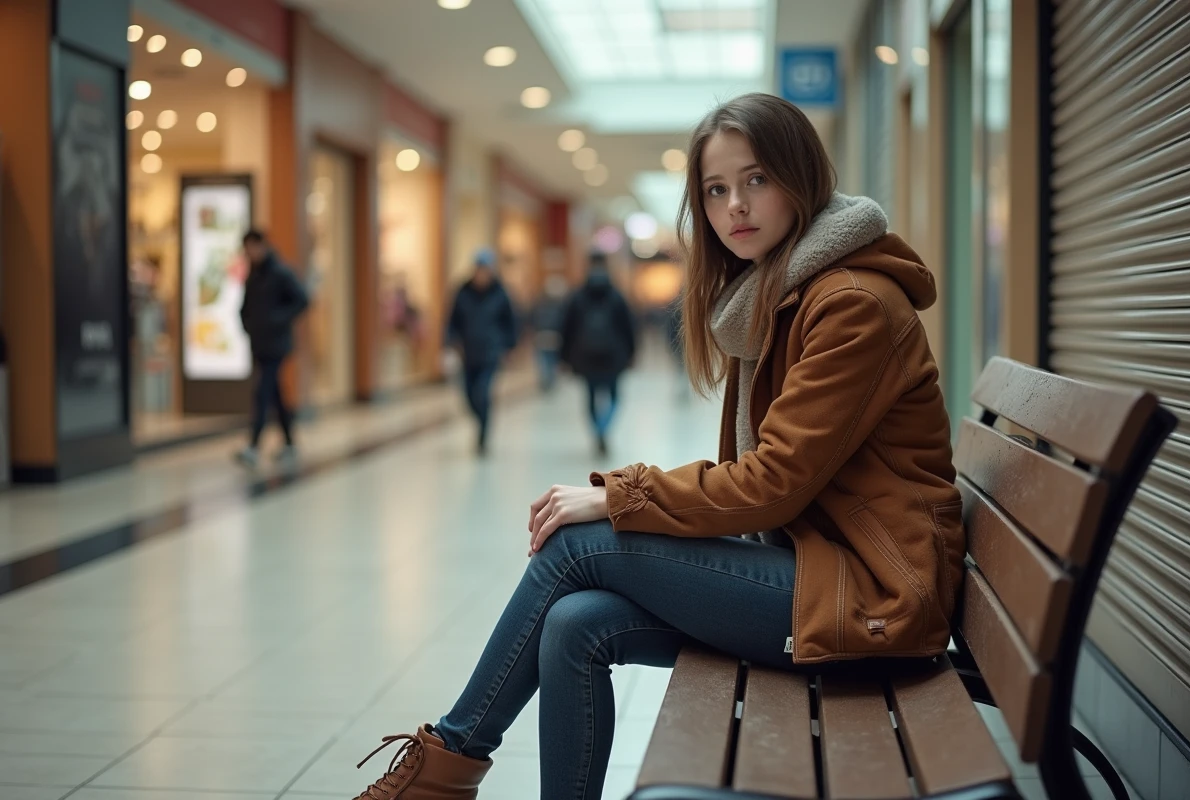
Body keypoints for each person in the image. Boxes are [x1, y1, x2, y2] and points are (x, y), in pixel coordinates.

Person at [348, 93, 964, 800]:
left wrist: (621, 495)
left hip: (875, 600)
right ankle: (450, 772)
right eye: (716, 190)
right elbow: (766, 482)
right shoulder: (778, 294)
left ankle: (445, 769)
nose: (735, 206)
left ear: (802, 176)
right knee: (573, 624)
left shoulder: (850, 303)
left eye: (757, 179)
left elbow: (772, 484)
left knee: (574, 546)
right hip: (816, 571)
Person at [236, 230, 309, 468]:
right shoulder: (254, 275)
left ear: (262, 246)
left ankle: (253, 445)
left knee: (262, 392)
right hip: (260, 343)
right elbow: (245, 307)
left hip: (277, 345)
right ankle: (289, 441)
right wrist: (247, 326)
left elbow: (302, 299)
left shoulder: (281, 272)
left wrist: (278, 320)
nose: (250, 253)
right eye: (247, 249)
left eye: (253, 247)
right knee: (275, 394)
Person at [559, 253, 638, 455]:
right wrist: (632, 353)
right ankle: (605, 427)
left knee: (591, 396)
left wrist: (564, 357)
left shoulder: (577, 296)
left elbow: (567, 328)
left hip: (585, 356)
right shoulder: (616, 296)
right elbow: (628, 327)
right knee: (614, 396)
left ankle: (597, 430)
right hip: (614, 356)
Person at [445, 249, 518, 454]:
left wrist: (509, 346)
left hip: (490, 353)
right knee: (468, 395)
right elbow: (452, 321)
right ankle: (480, 419)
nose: (482, 274)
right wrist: (450, 343)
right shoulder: (462, 292)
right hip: (468, 354)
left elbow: (511, 322)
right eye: (479, 269)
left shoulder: (500, 294)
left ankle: (483, 434)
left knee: (482, 393)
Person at [528, 275, 570, 392]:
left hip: (544, 336)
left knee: (546, 360)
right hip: (549, 336)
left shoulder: (541, 304)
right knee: (549, 360)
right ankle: (549, 380)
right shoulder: (560, 306)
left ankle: (548, 380)